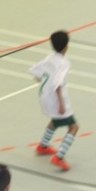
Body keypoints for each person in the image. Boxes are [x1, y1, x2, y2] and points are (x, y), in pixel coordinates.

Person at [29, 30, 78, 172]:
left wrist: (44, 80)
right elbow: (58, 84)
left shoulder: (50, 58)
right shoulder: (64, 63)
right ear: (66, 46)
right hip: (55, 99)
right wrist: (61, 104)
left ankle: (43, 146)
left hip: (44, 95)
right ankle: (59, 157)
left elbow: (35, 72)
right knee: (73, 127)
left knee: (55, 121)